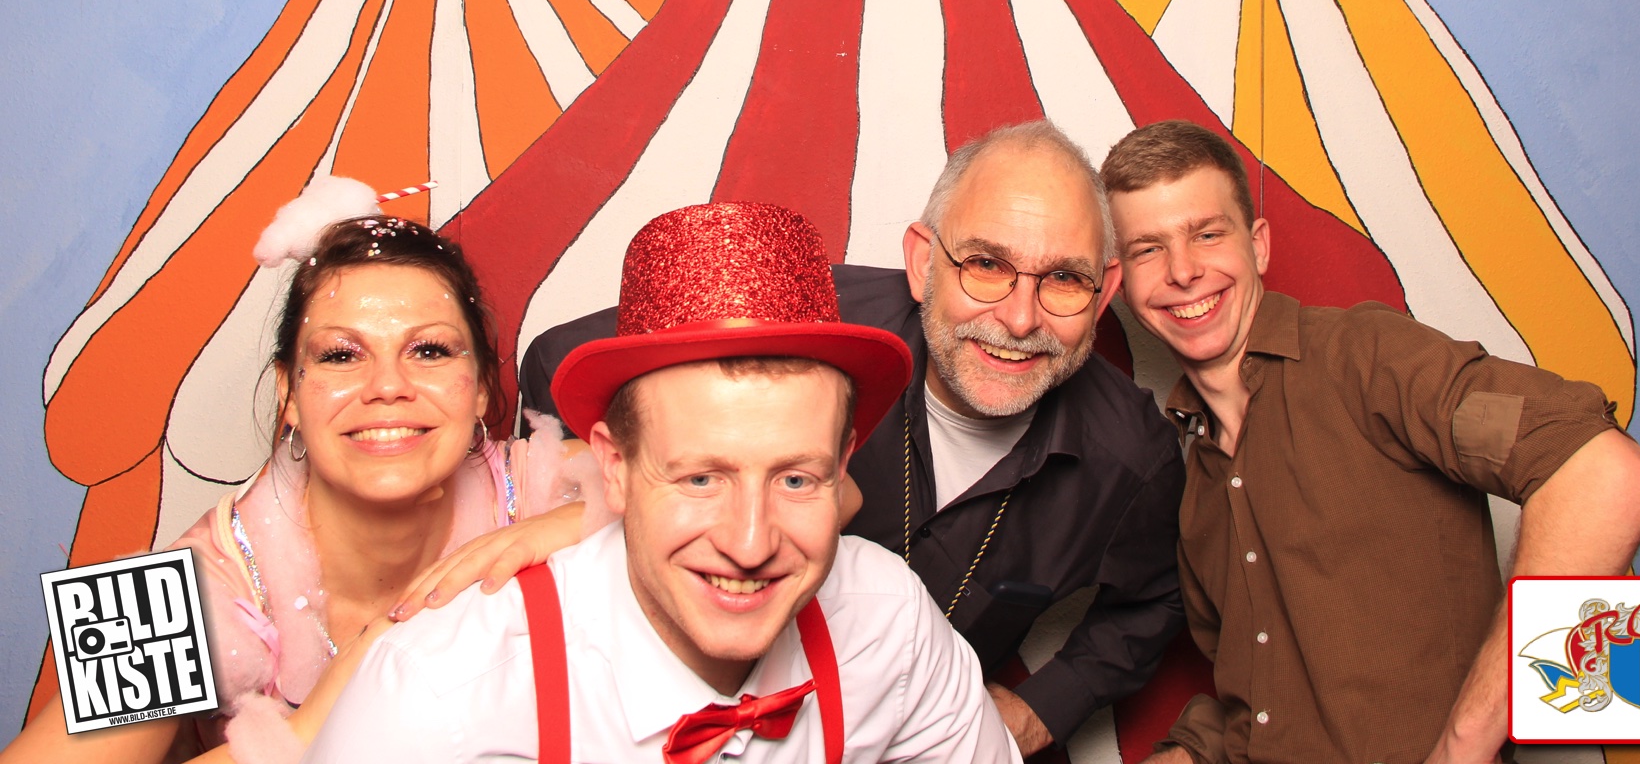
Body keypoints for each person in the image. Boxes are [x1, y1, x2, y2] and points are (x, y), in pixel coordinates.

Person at [519, 122, 1188, 755]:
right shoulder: (806, 324)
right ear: (923, 262)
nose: (1018, 319)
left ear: (1104, 294)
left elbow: (1160, 597)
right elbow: (558, 361)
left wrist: (1042, 707)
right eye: (986, 264)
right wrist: (604, 507)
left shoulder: (1131, 459)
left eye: (1065, 279)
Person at [303, 201, 1021, 762]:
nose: (750, 544)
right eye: (701, 478)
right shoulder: (437, 699)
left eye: (796, 480)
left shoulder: (887, 623)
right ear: (613, 468)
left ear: (841, 470)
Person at [1100, 120, 1640, 764]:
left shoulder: (1373, 365)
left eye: (1207, 234)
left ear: (1257, 246)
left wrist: (1464, 745)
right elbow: (1258, 704)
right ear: (1123, 283)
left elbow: (1602, 473)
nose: (1182, 271)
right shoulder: (1194, 472)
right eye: (1148, 250)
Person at [3, 199, 598, 764]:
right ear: (289, 393)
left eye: (430, 350)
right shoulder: (163, 598)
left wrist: (574, 526)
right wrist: (315, 721)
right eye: (341, 355)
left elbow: (653, 492)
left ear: (483, 390)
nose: (387, 386)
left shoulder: (558, 488)